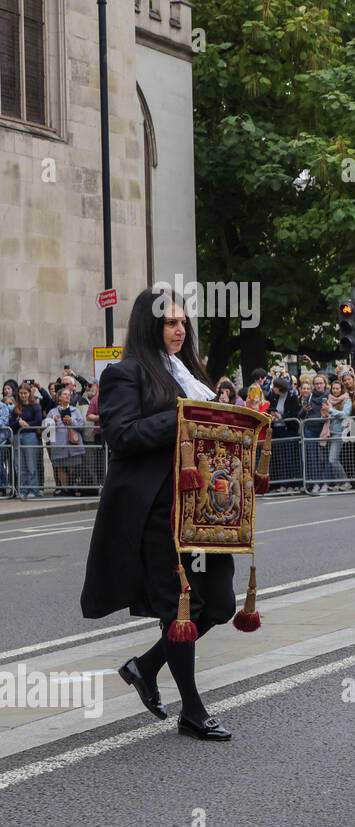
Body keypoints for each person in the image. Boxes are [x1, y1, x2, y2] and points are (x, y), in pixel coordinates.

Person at [80, 288, 235, 741]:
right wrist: (186, 415)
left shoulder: (192, 375)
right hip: (156, 510)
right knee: (180, 608)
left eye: (183, 322)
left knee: (220, 605)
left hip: (203, 511)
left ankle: (145, 667)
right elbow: (122, 436)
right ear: (150, 326)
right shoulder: (124, 374)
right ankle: (192, 710)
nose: (179, 329)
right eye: (170, 322)